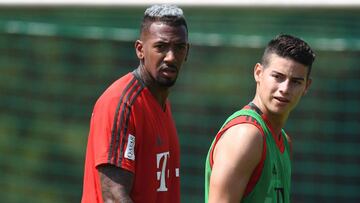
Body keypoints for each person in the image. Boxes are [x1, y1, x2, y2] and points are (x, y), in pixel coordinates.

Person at [81, 4, 189, 203]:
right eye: (161, 47)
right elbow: (114, 196)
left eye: (179, 47)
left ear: (187, 52)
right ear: (140, 49)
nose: (171, 57)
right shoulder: (121, 104)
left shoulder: (162, 104)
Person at [205, 34, 315, 203]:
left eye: (296, 82)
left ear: (306, 86)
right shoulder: (246, 135)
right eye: (278, 76)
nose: (285, 89)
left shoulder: (284, 141)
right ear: (258, 73)